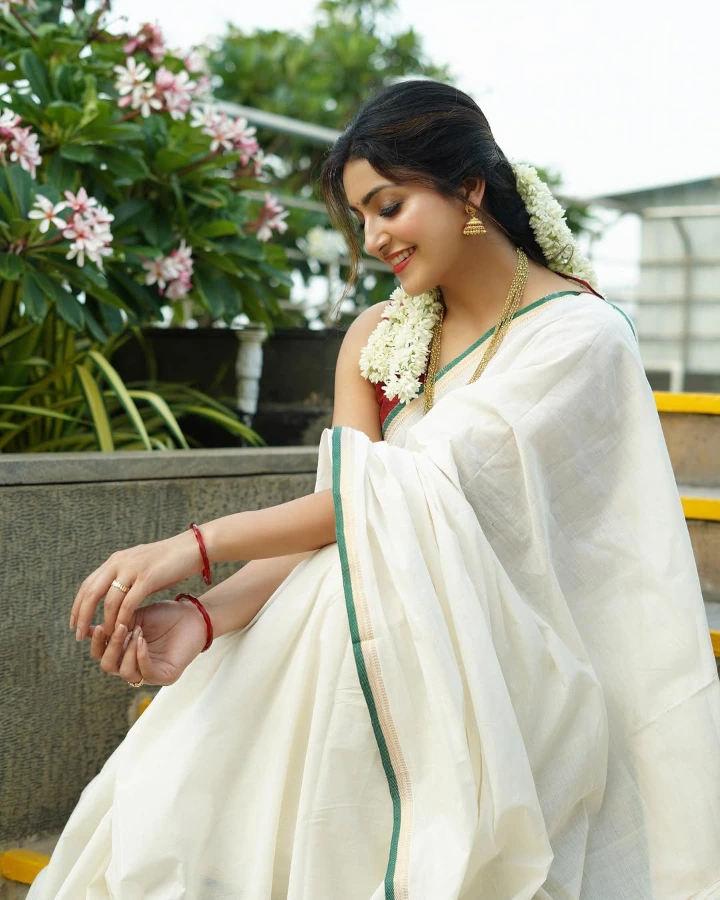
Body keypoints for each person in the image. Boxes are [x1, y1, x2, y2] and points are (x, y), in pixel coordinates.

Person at [29, 80, 720, 899]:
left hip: (514, 653)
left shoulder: (580, 337)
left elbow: (404, 496)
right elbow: (348, 519)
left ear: (469, 187)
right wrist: (205, 617)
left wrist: (195, 547)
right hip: (376, 635)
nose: (374, 237)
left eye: (389, 206)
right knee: (323, 620)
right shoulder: (378, 337)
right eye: (360, 217)